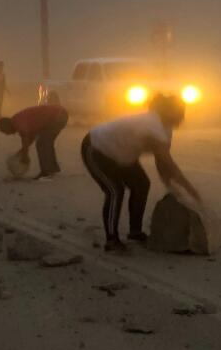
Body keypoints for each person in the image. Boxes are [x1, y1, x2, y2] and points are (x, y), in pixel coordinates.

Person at [81, 92, 201, 253]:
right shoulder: (152, 125)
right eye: (181, 111)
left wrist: (174, 189)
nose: (183, 115)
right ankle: (111, 240)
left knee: (142, 184)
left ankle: (135, 232)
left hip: (123, 155)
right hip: (96, 148)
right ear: (171, 112)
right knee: (115, 191)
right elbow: (169, 165)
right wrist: (191, 191)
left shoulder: (165, 129)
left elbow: (162, 164)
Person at [0, 99, 69, 178]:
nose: (8, 134)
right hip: (60, 113)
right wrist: (23, 150)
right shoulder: (18, 121)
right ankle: (52, 168)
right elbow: (30, 137)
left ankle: (46, 171)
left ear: (7, 125)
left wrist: (25, 154)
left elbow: (26, 137)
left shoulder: (18, 122)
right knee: (46, 142)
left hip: (58, 116)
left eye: (5, 131)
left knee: (42, 143)